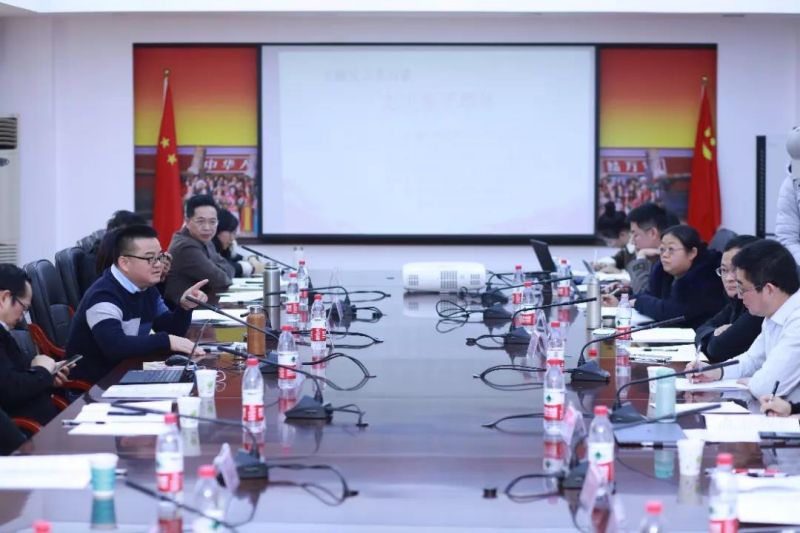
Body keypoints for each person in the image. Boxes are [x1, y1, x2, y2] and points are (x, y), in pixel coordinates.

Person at [66, 225, 208, 384]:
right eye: (150, 258)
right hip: (94, 385)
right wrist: (165, 340)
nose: (159, 264)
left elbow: (172, 330)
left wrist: (185, 307)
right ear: (125, 263)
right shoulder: (103, 296)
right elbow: (115, 347)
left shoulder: (146, 288)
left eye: (160, 256)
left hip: (127, 371)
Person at [687, 240, 800, 402]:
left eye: (742, 288)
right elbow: (752, 360)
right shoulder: (773, 313)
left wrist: (753, 382)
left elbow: (766, 387)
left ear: (769, 289)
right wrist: (716, 371)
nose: (739, 296)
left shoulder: (797, 322)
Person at [0, 264, 71, 425]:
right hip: (27, 432)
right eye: (24, 307)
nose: (22, 317)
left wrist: (48, 377)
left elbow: (16, 377)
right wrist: (42, 371)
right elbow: (11, 390)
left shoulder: (5, 332)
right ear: (4, 298)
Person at [632, 224, 726, 329]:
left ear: (692, 253)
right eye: (662, 249)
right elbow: (650, 294)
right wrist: (624, 300)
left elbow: (671, 313)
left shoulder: (705, 278)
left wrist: (638, 302)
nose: (664, 255)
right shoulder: (667, 274)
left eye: (671, 249)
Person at [694, 235, 763, 362]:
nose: (728, 278)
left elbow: (717, 349)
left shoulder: (759, 308)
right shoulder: (736, 302)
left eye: (736, 270)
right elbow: (701, 330)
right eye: (724, 270)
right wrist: (715, 333)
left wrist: (716, 337)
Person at [165, 195, 235, 306]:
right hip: (182, 311)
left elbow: (230, 269)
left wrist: (219, 269)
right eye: (200, 221)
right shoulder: (185, 246)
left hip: (202, 306)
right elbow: (221, 280)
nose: (207, 227)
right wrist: (219, 269)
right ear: (187, 221)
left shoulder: (205, 239)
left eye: (212, 222)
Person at [212, 209, 264, 277]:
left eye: (234, 233)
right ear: (218, 230)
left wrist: (251, 258)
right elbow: (223, 269)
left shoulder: (223, 249)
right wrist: (250, 268)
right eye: (231, 232)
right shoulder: (209, 250)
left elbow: (235, 258)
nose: (232, 238)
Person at [594, 202, 634, 273]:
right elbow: (616, 260)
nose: (609, 245)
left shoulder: (638, 250)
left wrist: (620, 273)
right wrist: (602, 264)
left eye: (609, 242)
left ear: (622, 235)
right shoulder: (626, 250)